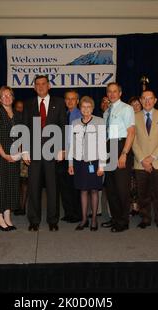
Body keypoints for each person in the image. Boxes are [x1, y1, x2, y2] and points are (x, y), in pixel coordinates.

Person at [22, 75, 66, 232]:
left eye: (43, 84)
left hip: (52, 152)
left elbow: (62, 126)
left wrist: (61, 149)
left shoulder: (59, 103)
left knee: (53, 187)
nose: (40, 87)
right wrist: (25, 150)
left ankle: (53, 220)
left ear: (49, 86)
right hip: (33, 152)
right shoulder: (28, 104)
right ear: (34, 87)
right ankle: (34, 220)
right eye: (37, 84)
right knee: (33, 187)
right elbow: (25, 127)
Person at [132, 90, 158, 230]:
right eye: (144, 98)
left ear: (155, 100)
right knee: (143, 194)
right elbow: (133, 140)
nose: (147, 101)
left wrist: (152, 157)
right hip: (140, 162)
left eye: (150, 99)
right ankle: (145, 218)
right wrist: (143, 159)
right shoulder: (134, 116)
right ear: (141, 101)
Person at [68, 96, 106, 231]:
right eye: (83, 107)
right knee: (83, 191)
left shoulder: (100, 122)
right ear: (80, 108)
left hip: (94, 162)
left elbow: (102, 145)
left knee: (94, 191)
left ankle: (94, 219)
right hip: (79, 162)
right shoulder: (75, 123)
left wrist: (102, 165)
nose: (86, 109)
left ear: (92, 108)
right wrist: (70, 163)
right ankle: (84, 219)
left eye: (88, 107)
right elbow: (71, 144)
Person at [102, 82, 135, 232]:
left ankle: (123, 222)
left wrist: (124, 154)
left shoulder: (127, 109)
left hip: (121, 147)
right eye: (109, 92)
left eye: (115, 91)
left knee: (122, 189)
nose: (112, 94)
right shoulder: (106, 111)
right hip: (109, 148)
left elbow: (131, 132)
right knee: (111, 188)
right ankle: (115, 219)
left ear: (120, 93)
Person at [0, 86, 20, 231]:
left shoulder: (17, 115)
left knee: (11, 185)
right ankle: (0, 218)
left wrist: (18, 152)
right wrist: (4, 155)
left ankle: (8, 216)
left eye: (9, 95)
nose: (7, 98)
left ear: (13, 98)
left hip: (13, 157)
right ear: (0, 99)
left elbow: (21, 135)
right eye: (4, 96)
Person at [59, 89, 82, 223]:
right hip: (63, 156)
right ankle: (68, 212)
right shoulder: (64, 114)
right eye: (67, 99)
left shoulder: (79, 115)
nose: (70, 101)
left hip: (74, 156)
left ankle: (77, 214)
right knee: (64, 186)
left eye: (73, 99)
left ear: (77, 101)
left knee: (75, 186)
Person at [13, 99, 28, 216]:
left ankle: (22, 206)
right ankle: (16, 205)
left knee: (24, 182)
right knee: (15, 182)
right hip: (13, 154)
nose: (20, 110)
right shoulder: (12, 119)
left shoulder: (28, 120)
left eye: (22, 107)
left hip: (24, 155)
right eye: (17, 107)